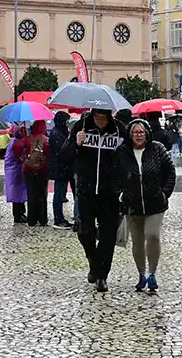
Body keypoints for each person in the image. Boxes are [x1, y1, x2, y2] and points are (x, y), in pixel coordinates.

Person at [64, 109, 127, 293]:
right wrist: (76, 143)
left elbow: (128, 156)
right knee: (86, 231)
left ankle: (102, 276)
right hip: (86, 190)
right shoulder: (81, 126)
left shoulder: (119, 130)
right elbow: (64, 157)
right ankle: (93, 261)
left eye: (103, 117)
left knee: (108, 236)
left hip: (110, 192)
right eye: (97, 116)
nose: (100, 120)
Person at [117, 120, 176, 294]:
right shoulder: (122, 152)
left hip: (155, 204)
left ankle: (152, 272)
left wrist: (164, 193)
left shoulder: (157, 149)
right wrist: (121, 194)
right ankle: (142, 274)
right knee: (137, 241)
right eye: (135, 132)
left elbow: (170, 172)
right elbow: (114, 175)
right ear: (130, 134)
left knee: (152, 235)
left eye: (141, 132)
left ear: (147, 133)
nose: (138, 135)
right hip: (132, 205)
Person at [15, 120, 50, 226]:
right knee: (42, 194)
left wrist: (22, 158)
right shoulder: (46, 140)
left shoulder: (28, 139)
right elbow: (49, 153)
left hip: (28, 170)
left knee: (31, 194)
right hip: (42, 170)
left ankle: (32, 219)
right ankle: (42, 219)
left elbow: (16, 147)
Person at [49, 111, 76, 229]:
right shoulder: (56, 134)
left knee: (60, 193)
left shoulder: (60, 132)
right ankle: (58, 219)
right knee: (59, 194)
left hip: (64, 168)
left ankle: (60, 218)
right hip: (61, 168)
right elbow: (62, 152)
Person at [3, 126, 28, 223]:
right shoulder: (17, 143)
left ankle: (21, 212)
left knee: (19, 193)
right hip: (15, 171)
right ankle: (18, 215)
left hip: (14, 170)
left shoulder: (13, 141)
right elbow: (19, 157)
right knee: (17, 194)